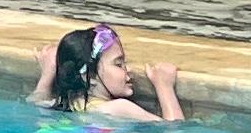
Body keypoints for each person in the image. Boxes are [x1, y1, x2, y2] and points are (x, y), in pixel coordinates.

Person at [32, 21, 183, 121]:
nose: (128, 69)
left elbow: (35, 102)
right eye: (118, 64)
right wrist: (165, 87)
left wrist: (47, 74)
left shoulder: (64, 104)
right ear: (89, 76)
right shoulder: (119, 108)